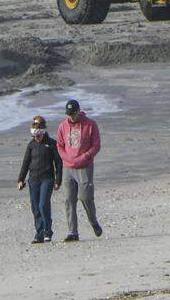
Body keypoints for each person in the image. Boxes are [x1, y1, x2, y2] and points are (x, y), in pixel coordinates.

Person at [56, 99, 102, 242]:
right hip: (68, 167)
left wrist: (84, 157)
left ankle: (93, 221)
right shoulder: (63, 126)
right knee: (69, 199)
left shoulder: (90, 125)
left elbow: (96, 145)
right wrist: (66, 159)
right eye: (69, 114)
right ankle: (72, 232)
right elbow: (60, 145)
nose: (71, 117)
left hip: (84, 167)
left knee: (85, 197)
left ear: (78, 111)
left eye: (73, 114)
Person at [16, 115, 62, 244]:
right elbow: (25, 163)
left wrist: (58, 180)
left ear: (43, 131)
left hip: (47, 179)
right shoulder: (31, 145)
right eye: (34, 135)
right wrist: (20, 179)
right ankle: (39, 233)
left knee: (43, 204)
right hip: (33, 180)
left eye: (38, 134)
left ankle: (48, 230)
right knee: (35, 207)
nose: (36, 137)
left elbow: (58, 163)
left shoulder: (52, 144)